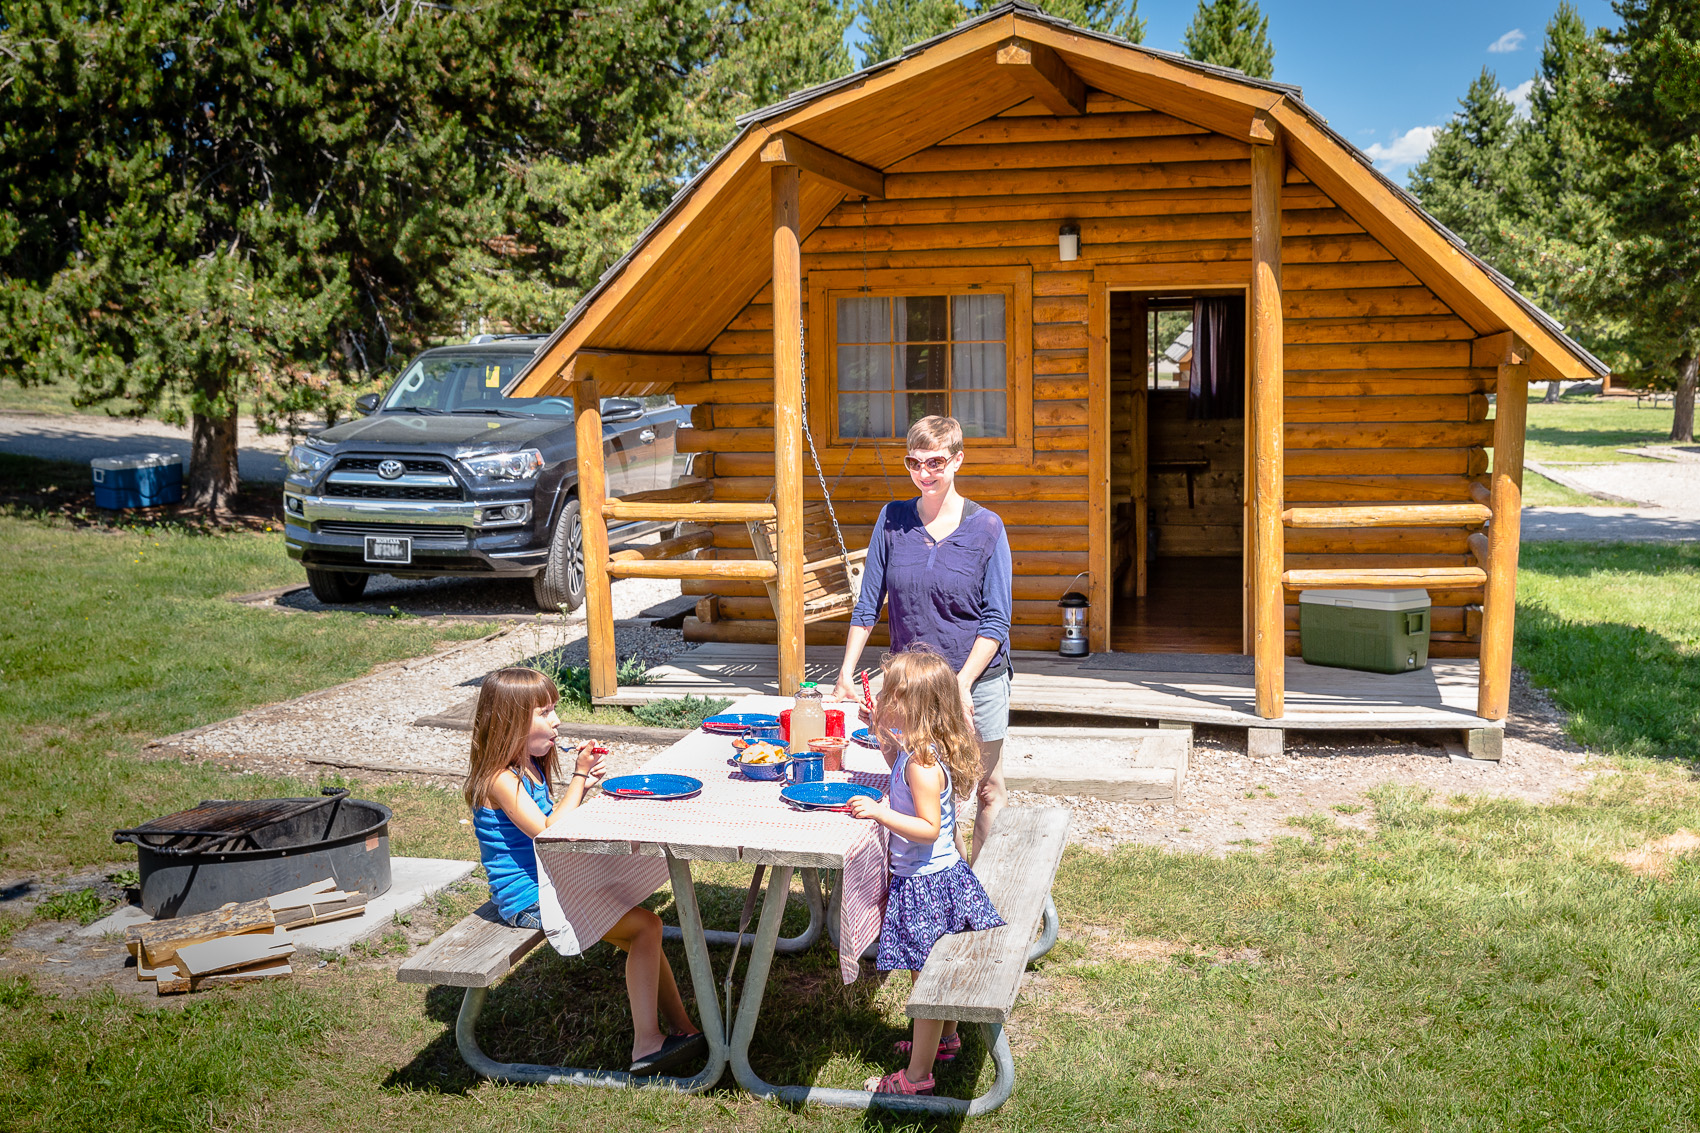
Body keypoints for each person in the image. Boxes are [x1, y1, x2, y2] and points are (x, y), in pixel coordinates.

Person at [463, 667, 704, 1077]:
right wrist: (578, 778)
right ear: (510, 722)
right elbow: (546, 831)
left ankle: (683, 1029)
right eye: (544, 712)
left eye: (554, 710)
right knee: (645, 927)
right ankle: (646, 1044)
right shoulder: (500, 780)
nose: (556, 720)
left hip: (549, 882)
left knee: (644, 926)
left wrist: (583, 785)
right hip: (526, 899)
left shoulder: (529, 768)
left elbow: (551, 821)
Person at [832, 414, 1014, 861]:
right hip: (910, 685)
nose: (924, 474)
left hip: (975, 679)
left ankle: (987, 886)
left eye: (935, 462)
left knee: (985, 788)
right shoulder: (892, 520)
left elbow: (996, 619)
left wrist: (963, 683)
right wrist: (846, 674)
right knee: (925, 792)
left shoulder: (987, 527)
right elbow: (867, 604)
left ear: (957, 461)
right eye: (914, 463)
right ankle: (948, 885)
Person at [846, 647, 1006, 1096]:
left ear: (912, 705)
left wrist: (880, 813)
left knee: (926, 981)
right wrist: (874, 725)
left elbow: (927, 828)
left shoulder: (921, 764)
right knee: (931, 972)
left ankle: (917, 1078)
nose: (880, 698)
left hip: (925, 885)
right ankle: (947, 1041)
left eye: (889, 694)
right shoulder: (917, 751)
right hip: (937, 880)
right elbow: (893, 757)